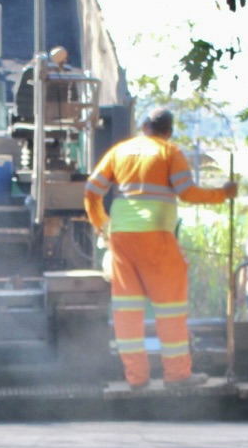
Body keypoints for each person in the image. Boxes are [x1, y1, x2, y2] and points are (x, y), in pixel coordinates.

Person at [84, 108, 238, 388]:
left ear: (144, 127)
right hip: (156, 236)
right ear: (168, 131)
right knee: (170, 309)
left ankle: (136, 378)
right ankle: (177, 375)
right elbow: (187, 192)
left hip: (121, 237)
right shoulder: (169, 152)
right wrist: (223, 194)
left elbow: (92, 190)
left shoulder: (120, 151)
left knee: (127, 310)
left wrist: (100, 224)